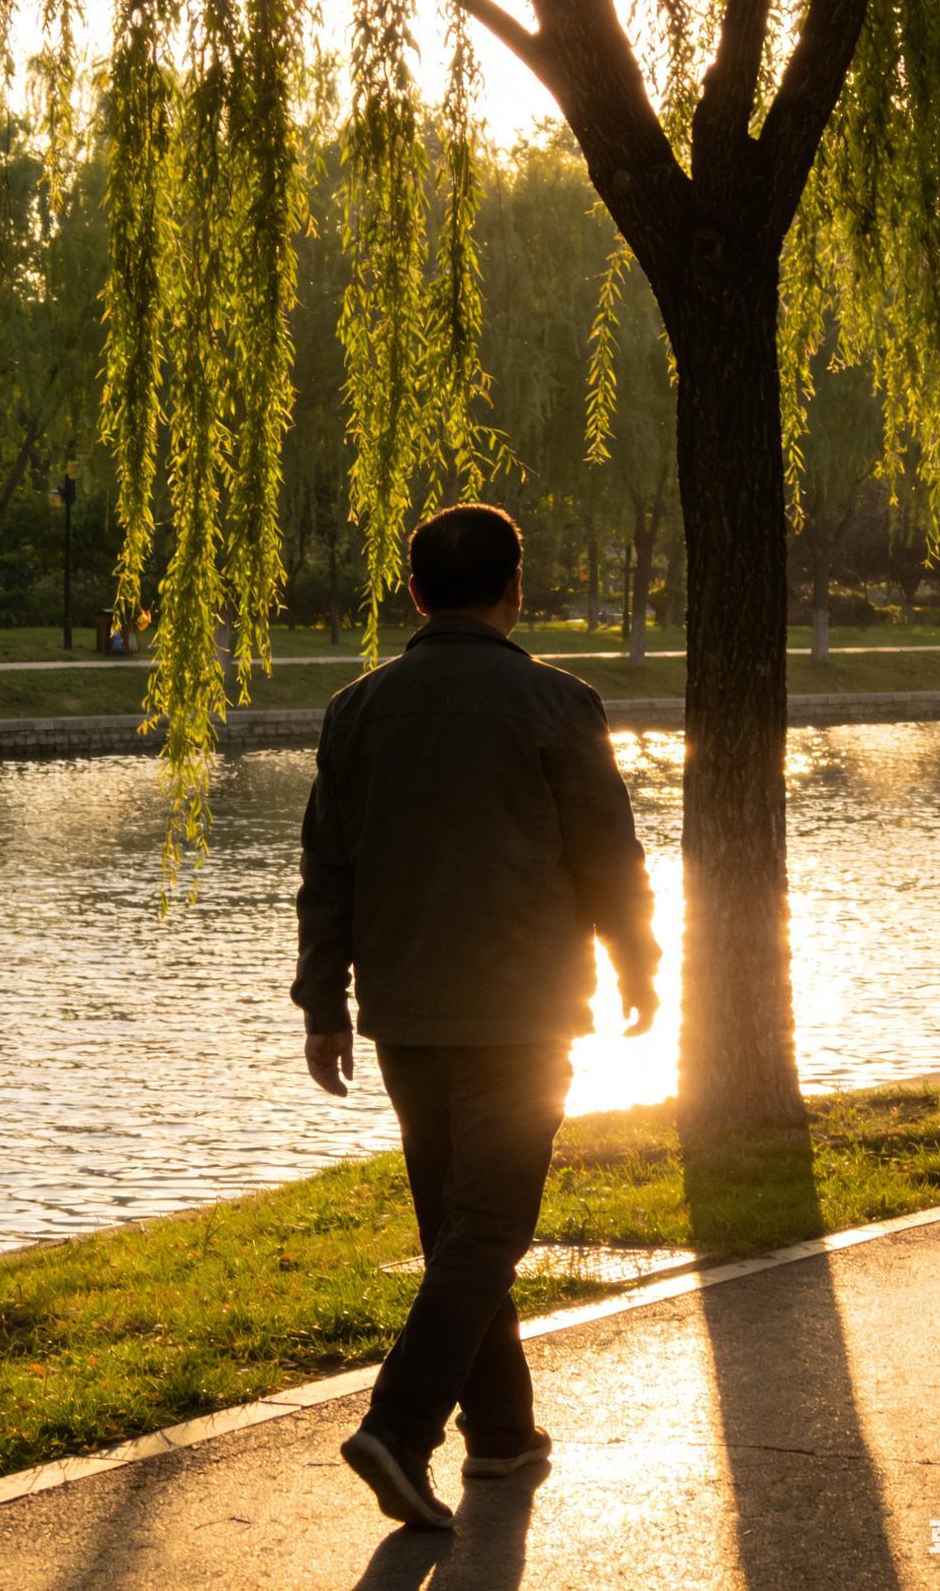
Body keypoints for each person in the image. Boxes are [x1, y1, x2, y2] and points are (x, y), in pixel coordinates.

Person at [290, 502, 660, 1530]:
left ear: (414, 591)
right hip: (523, 1007)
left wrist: (323, 1001)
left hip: (403, 1009)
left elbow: (327, 868)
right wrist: (639, 965)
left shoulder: (356, 708)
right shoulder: (554, 701)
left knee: (462, 1223)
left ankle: (499, 1434)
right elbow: (606, 857)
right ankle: (399, 1427)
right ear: (516, 589)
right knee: (488, 1223)